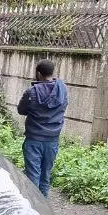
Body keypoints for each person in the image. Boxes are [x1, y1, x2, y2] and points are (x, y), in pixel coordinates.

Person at [17, 60, 69, 197]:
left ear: (38, 74)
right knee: (45, 174)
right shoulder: (62, 91)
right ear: (52, 73)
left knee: (33, 174)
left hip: (34, 139)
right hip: (52, 140)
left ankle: (34, 207)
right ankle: (44, 206)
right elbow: (63, 108)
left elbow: (21, 110)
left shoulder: (31, 92)